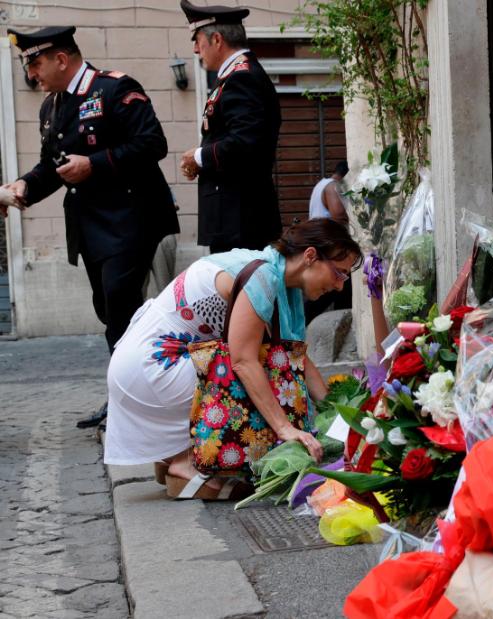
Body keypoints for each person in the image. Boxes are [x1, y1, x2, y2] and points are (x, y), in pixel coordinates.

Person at [102, 219, 362, 499]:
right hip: (153, 369)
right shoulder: (262, 278)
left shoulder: (269, 268)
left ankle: (176, 454)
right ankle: (186, 464)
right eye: (339, 273)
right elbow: (244, 362)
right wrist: (285, 429)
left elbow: (296, 355)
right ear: (310, 256)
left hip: (145, 364)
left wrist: (336, 414)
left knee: (275, 362)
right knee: (263, 368)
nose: (339, 286)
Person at [0, 26, 179, 429]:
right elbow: (53, 166)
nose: (32, 74)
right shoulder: (51, 107)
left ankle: (136, 403)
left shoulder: (115, 89)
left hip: (131, 219)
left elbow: (153, 144)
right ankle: (127, 395)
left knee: (121, 304)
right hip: (90, 228)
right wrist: (26, 185)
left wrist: (93, 164)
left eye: (35, 63)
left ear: (61, 59)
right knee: (109, 311)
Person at [178, 0, 282, 254]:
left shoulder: (241, 77)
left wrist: (199, 156)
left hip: (241, 218)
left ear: (216, 40)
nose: (195, 49)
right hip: (236, 217)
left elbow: (246, 141)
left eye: (197, 40)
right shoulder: (234, 76)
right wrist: (201, 162)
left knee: (241, 291)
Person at [304, 161, 352, 322]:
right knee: (331, 290)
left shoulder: (321, 184)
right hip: (329, 249)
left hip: (323, 245)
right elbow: (338, 215)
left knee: (339, 290)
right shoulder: (333, 186)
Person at [308, 160, 350, 226]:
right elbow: (339, 217)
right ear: (347, 176)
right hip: (325, 233)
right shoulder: (332, 186)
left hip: (318, 231)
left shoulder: (321, 183)